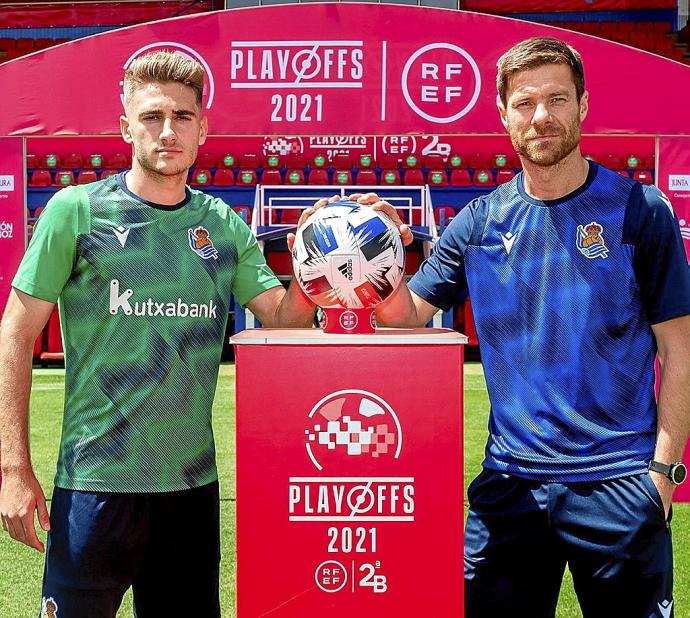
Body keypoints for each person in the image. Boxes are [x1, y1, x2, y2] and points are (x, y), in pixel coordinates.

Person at [363, 37, 690, 616]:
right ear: (504, 114)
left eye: (557, 99)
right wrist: (378, 248)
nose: (542, 116)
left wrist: (663, 473)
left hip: (618, 481)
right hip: (511, 486)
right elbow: (402, 316)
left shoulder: (641, 210)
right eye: (525, 102)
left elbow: (680, 349)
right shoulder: (478, 222)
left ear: (584, 107)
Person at [0, 50, 315, 617]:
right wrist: (14, 470)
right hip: (96, 485)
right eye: (151, 116)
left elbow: (284, 318)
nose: (167, 131)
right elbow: (16, 335)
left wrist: (324, 258)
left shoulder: (221, 225)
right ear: (126, 126)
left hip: (189, 495)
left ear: (203, 130)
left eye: (182, 117)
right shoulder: (77, 211)